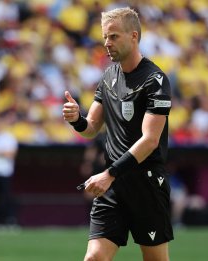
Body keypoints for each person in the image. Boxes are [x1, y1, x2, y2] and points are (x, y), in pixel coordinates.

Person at [63, 7, 173, 261]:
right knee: (94, 258)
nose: (106, 43)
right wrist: (76, 119)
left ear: (133, 36)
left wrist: (108, 174)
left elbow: (150, 140)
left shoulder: (154, 80)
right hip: (112, 185)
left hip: (146, 184)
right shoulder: (108, 76)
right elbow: (91, 127)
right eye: (104, 37)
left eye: (113, 37)